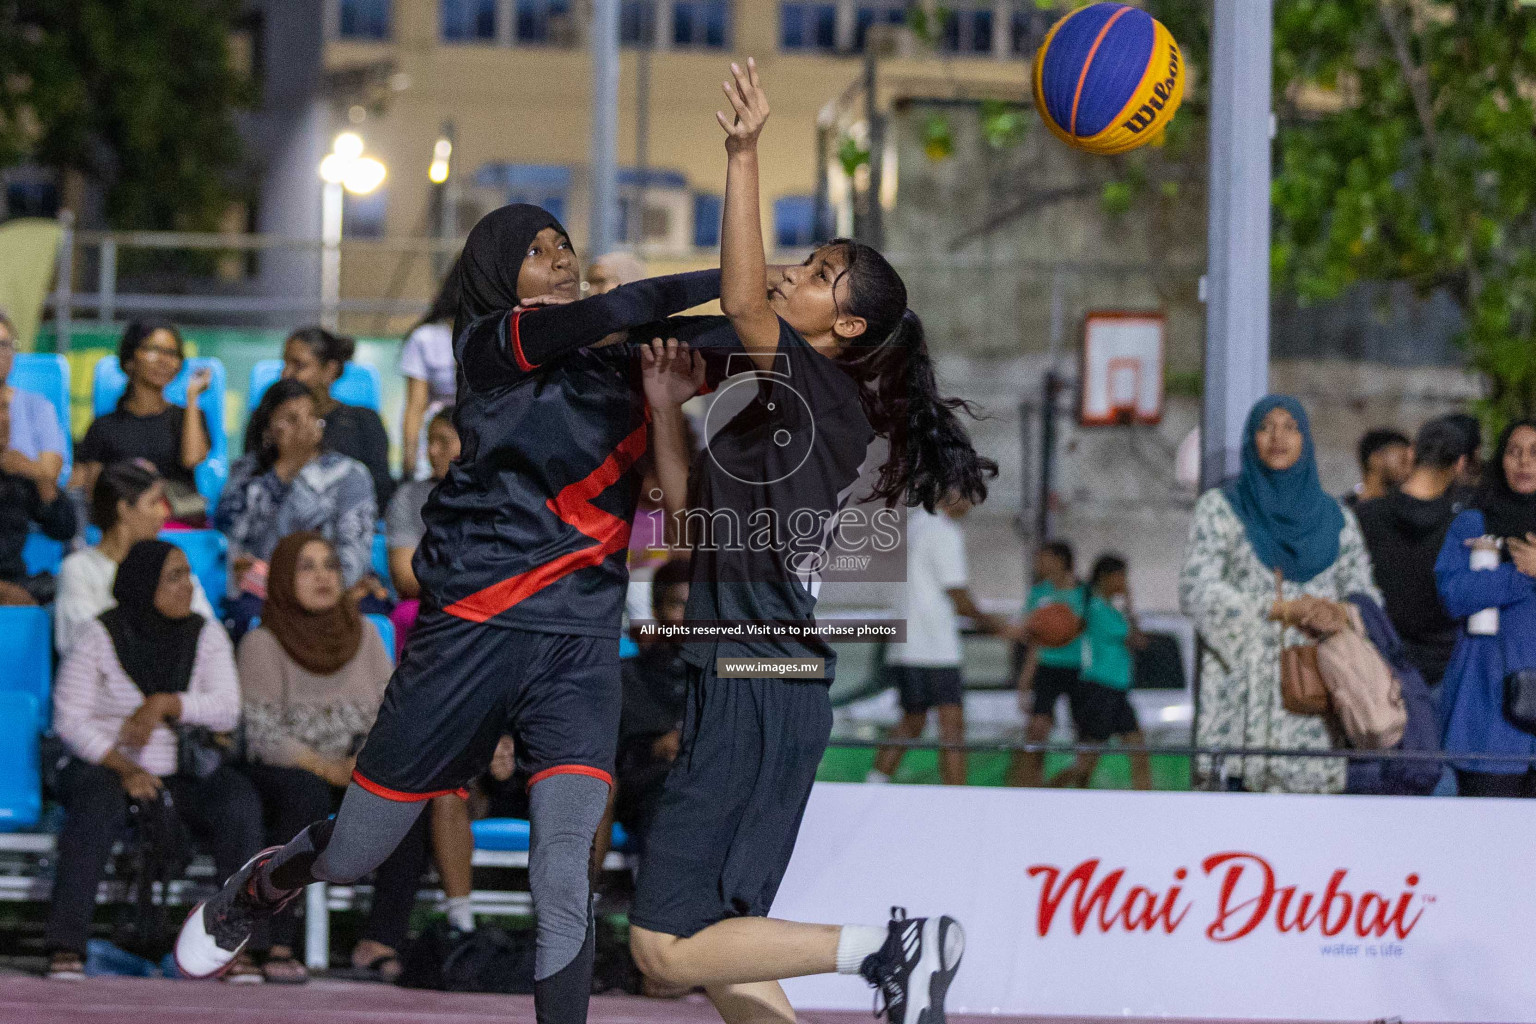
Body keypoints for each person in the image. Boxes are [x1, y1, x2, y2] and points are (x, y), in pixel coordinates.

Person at [176, 200, 730, 1024]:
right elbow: (621, 306)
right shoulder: (491, 347)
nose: (560, 260)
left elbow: (752, 337)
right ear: (497, 276)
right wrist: (732, 278)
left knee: (563, 869)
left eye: (565, 247)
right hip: (468, 638)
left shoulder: (630, 372)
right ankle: (271, 879)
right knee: (357, 855)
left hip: (578, 649)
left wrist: (790, 302)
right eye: (537, 252)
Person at [626, 60, 978, 1024]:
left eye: (817, 275)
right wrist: (665, 410)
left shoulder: (823, 392)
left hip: (752, 685)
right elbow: (683, 512)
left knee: (662, 950)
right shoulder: (781, 408)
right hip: (764, 689)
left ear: (848, 325)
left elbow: (743, 302)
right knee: (723, 945)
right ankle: (892, 953)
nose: (791, 275)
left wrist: (742, 151)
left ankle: (892, 948)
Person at [47, 541, 260, 982]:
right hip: (105, 764)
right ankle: (66, 944)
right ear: (144, 585)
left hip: (181, 770)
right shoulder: (99, 634)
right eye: (175, 577)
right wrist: (125, 768)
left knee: (238, 802)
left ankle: (233, 947)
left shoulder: (206, 634)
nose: (189, 586)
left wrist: (166, 704)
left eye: (189, 574)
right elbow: (69, 719)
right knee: (96, 806)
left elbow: (227, 707)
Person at [237, 533, 429, 983]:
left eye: (330, 566)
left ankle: (379, 938)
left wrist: (362, 765)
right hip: (288, 771)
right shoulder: (261, 644)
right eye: (307, 567)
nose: (323, 576)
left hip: (354, 768)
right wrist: (327, 767)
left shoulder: (365, 636)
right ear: (283, 578)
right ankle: (278, 937)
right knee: (301, 794)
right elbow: (263, 736)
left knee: (408, 797)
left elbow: (390, 714)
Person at [1180, 395, 1380, 794]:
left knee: (1307, 842)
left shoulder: (1337, 521)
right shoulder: (1220, 510)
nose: (1278, 437)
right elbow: (1196, 588)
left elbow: (1366, 597)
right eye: (1265, 426)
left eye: (1291, 427)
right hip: (1239, 702)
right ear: (1251, 437)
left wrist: (1339, 613)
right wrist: (1278, 609)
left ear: (1305, 439)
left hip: (1314, 701)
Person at [219, 378, 378, 638]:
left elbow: (354, 551)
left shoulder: (349, 474)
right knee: (244, 616)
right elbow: (233, 534)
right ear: (268, 428)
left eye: (312, 417)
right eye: (291, 420)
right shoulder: (247, 471)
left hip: (331, 588)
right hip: (263, 591)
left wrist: (316, 587)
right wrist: (284, 470)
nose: (304, 427)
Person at [869, 492, 1005, 787]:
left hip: (905, 644)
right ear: (949, 493)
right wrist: (999, 626)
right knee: (952, 726)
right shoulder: (944, 531)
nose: (972, 503)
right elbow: (958, 595)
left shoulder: (915, 525)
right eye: (969, 494)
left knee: (912, 721)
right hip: (934, 647)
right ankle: (956, 800)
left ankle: (872, 786)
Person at [1436, 420, 1536, 797]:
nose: (1524, 462)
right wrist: (1522, 574)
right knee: (1486, 842)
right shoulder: (1472, 522)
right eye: (1513, 451)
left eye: (1534, 453)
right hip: (1488, 706)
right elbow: (1454, 594)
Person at [55, 460, 218, 655]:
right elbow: (79, 645)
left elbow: (209, 633)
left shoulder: (171, 565)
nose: (164, 512)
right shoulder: (78, 569)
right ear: (124, 509)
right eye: (154, 502)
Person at [1356, 417, 1470, 690]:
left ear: (1412, 453)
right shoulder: (1464, 526)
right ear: (1460, 464)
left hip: (1379, 663)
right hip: (1445, 667)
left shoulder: (1365, 517)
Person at [253, 327, 394, 508]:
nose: (286, 374)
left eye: (299, 365)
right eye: (285, 364)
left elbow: (380, 491)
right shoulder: (268, 419)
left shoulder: (362, 421)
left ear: (329, 370)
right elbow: (251, 481)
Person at [74, 320, 212, 505]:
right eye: (153, 349)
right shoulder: (104, 427)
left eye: (171, 353)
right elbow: (93, 493)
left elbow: (192, 459)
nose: (164, 360)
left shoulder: (188, 417)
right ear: (130, 359)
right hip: (125, 523)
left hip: (177, 521)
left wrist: (193, 394)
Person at [1050, 554, 1152, 790]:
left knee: (1138, 751)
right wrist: (1129, 603)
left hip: (1116, 690)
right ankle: (1046, 793)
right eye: (1121, 576)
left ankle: (1147, 805)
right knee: (1085, 764)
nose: (1125, 582)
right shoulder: (1096, 608)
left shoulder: (1106, 608)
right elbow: (1136, 638)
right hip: (1099, 690)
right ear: (1106, 577)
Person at [1007, 541, 1088, 788]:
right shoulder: (1039, 593)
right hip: (1048, 668)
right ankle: (1032, 785)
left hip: (1079, 670)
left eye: (1044, 558)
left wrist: (1068, 625)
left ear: (1060, 560)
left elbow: (1089, 632)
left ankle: (1079, 787)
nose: (1038, 564)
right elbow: (1035, 641)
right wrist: (1024, 684)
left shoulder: (1085, 594)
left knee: (1083, 733)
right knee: (1038, 728)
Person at [384, 407, 459, 656]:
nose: (432, 451)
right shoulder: (409, 496)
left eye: (444, 442)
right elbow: (406, 578)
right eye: (430, 441)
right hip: (430, 604)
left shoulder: (495, 495)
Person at [0, 387, 76, 605]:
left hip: (16, 579)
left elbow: (64, 529)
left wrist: (37, 473)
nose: (4, 419)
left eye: (4, 408)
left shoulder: (15, 469)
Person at [400, 263, 459, 482]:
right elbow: (415, 406)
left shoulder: (501, 333)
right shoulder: (425, 338)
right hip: (439, 439)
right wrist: (409, 463)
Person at [0, 309, 66, 490]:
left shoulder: (39, 407)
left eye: (4, 345)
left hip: (25, 505)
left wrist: (18, 465)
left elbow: (51, 472)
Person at [1344, 427, 1410, 508]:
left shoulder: (1404, 508)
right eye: (1403, 461)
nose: (1408, 470)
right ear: (1376, 459)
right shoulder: (1343, 509)